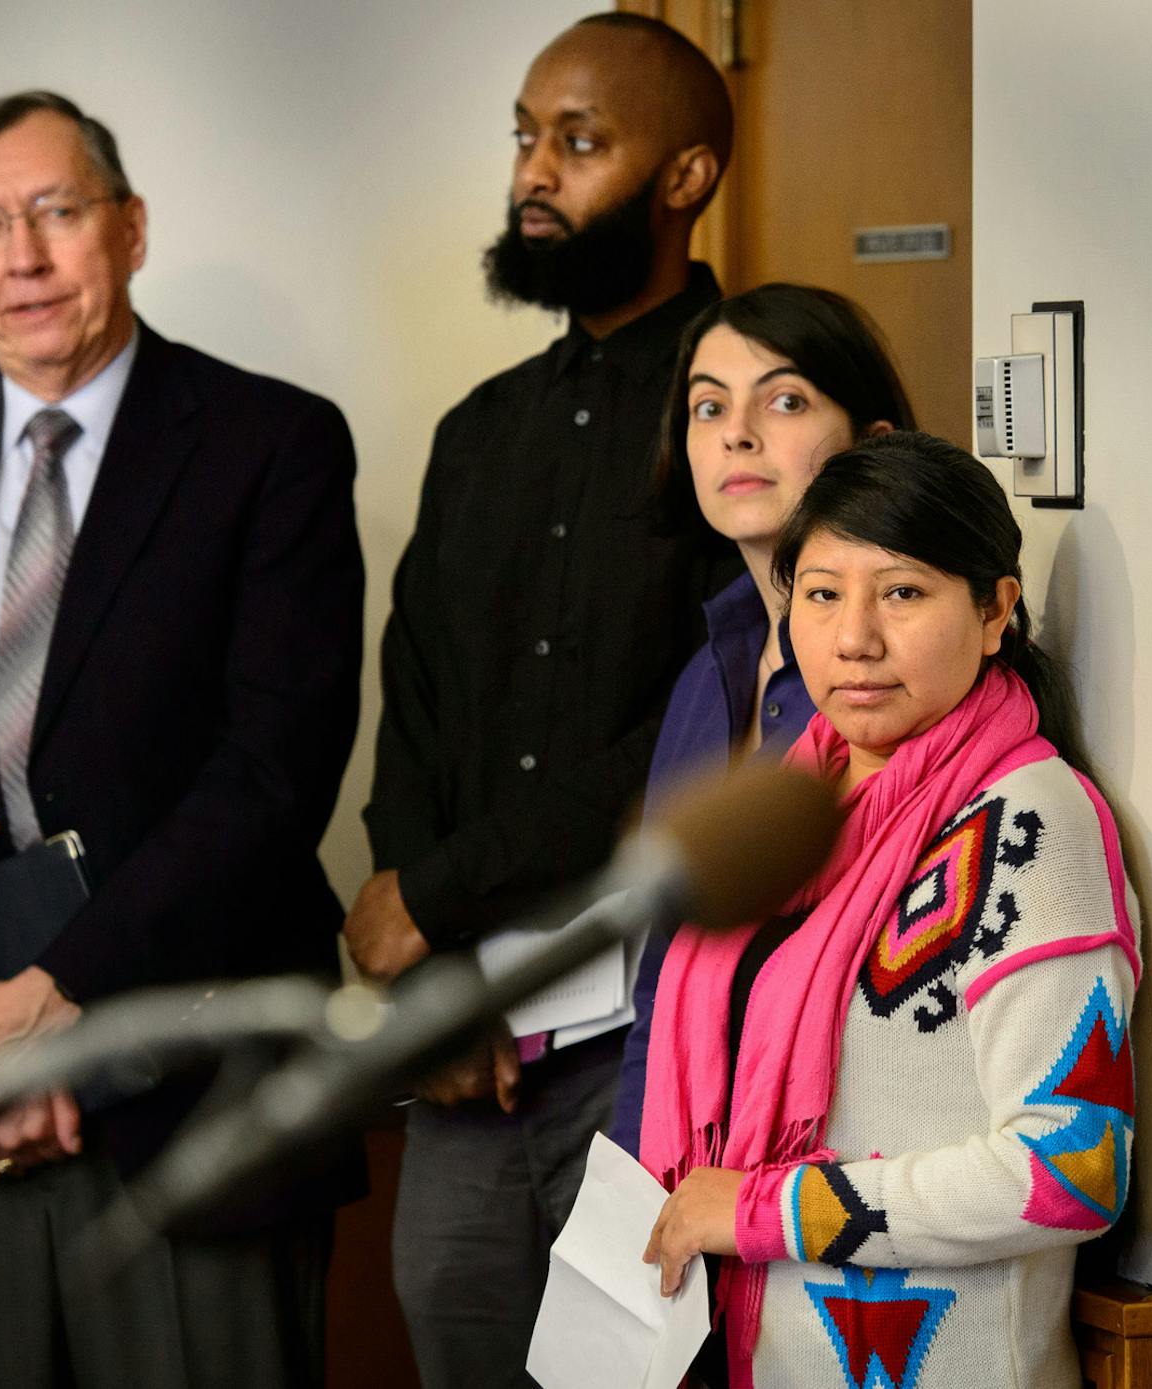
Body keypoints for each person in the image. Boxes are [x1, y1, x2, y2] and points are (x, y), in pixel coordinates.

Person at [0, 90, 364, 1388]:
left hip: (192, 1096)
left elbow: (273, 767)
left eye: (56, 211)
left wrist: (50, 1005)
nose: (21, 256)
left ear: (131, 227)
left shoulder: (273, 443)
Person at [342, 14, 738, 1386]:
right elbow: (420, 700)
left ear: (684, 176)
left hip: (653, 1038)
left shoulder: (742, 420)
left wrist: (438, 895)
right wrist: (437, 969)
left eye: (579, 141)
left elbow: (702, 734)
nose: (535, 172)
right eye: (525, 136)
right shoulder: (483, 427)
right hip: (466, 1055)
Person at [639, 432, 1141, 1388]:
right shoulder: (795, 807)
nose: (854, 637)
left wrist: (761, 1208)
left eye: (902, 592)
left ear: (997, 610)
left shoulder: (1031, 825)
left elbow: (1072, 1165)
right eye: (821, 594)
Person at [607, 282, 917, 1156]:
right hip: (683, 1178)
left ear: (873, 442)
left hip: (829, 1187)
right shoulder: (710, 670)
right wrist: (636, 1196)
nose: (737, 432)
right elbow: (661, 983)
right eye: (709, 407)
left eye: (784, 400)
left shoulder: (889, 684)